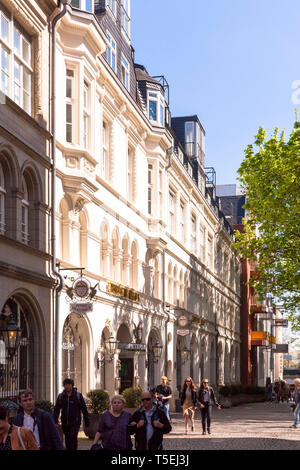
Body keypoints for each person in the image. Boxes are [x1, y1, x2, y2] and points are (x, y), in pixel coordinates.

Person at [53, 378, 90, 450]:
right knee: (67, 438)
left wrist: (87, 420)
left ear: (72, 385)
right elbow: (56, 409)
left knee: (73, 437)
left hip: (75, 422)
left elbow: (84, 408)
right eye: (65, 385)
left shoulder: (78, 396)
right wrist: (55, 421)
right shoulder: (61, 396)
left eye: (69, 384)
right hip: (65, 422)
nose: (67, 386)